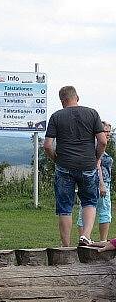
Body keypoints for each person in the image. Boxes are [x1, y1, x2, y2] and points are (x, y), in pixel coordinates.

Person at [43, 86, 108, 246]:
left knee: (65, 206)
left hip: (64, 166)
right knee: (89, 201)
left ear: (62, 101)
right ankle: (85, 236)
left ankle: (66, 246)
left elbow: (47, 146)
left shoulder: (56, 116)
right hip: (87, 165)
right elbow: (103, 141)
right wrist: (96, 158)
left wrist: (56, 159)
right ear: (77, 97)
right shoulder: (92, 113)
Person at [75, 121, 112, 241]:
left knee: (85, 209)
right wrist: (101, 184)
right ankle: (102, 240)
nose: (108, 134)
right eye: (105, 131)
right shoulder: (98, 146)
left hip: (88, 181)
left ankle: (85, 238)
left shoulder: (90, 146)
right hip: (100, 182)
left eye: (109, 132)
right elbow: (97, 165)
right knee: (104, 212)